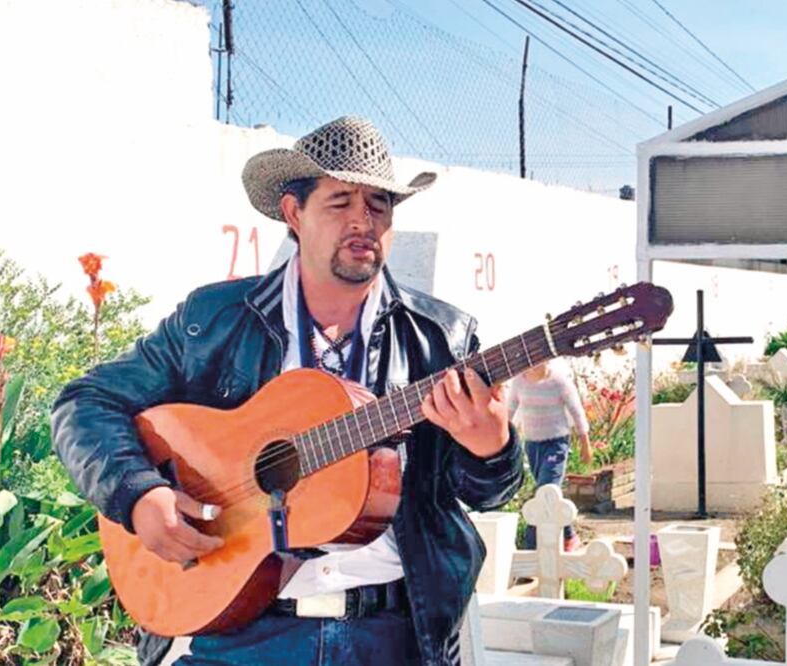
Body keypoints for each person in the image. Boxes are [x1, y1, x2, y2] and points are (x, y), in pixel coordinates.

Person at [52, 116, 524, 666]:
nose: (362, 221)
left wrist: (490, 446)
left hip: (392, 636)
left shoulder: (442, 337)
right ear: (293, 213)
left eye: (378, 204)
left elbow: (486, 494)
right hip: (237, 627)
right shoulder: (214, 320)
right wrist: (138, 494)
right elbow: (85, 402)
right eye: (340, 201)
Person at [507, 360, 591, 552]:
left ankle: (530, 547)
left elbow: (576, 412)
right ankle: (569, 535)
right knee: (549, 494)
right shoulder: (519, 381)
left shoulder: (559, 381)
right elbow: (509, 411)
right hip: (532, 445)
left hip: (556, 443)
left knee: (545, 491)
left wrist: (585, 444)